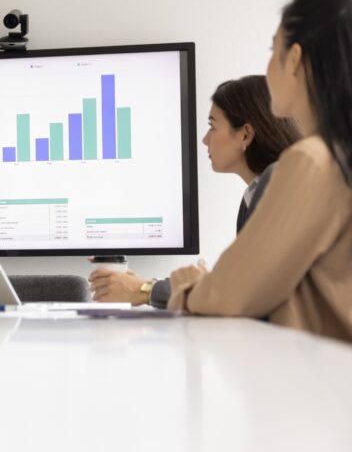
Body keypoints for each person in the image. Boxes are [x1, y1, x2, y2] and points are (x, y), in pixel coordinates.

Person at [168, 0, 352, 338]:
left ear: (295, 59)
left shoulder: (313, 161)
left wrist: (185, 291)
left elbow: (230, 293)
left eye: (272, 50)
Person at [90, 75, 299, 306]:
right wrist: (144, 287)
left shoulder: (279, 184)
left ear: (245, 134)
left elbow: (240, 290)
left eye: (212, 126)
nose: (204, 139)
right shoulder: (253, 196)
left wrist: (144, 290)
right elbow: (234, 283)